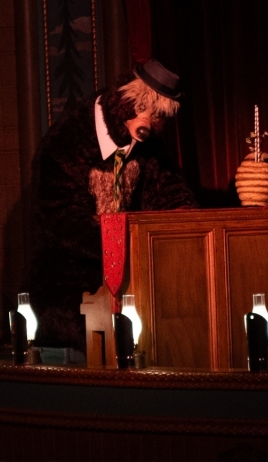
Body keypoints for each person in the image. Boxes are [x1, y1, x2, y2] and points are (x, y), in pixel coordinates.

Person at [28, 59, 198, 349]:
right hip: (70, 273)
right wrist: (122, 246)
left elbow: (169, 191)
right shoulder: (66, 141)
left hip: (131, 267)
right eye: (141, 108)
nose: (147, 122)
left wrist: (187, 231)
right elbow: (61, 220)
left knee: (177, 312)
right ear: (121, 99)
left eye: (157, 115)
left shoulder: (148, 146)